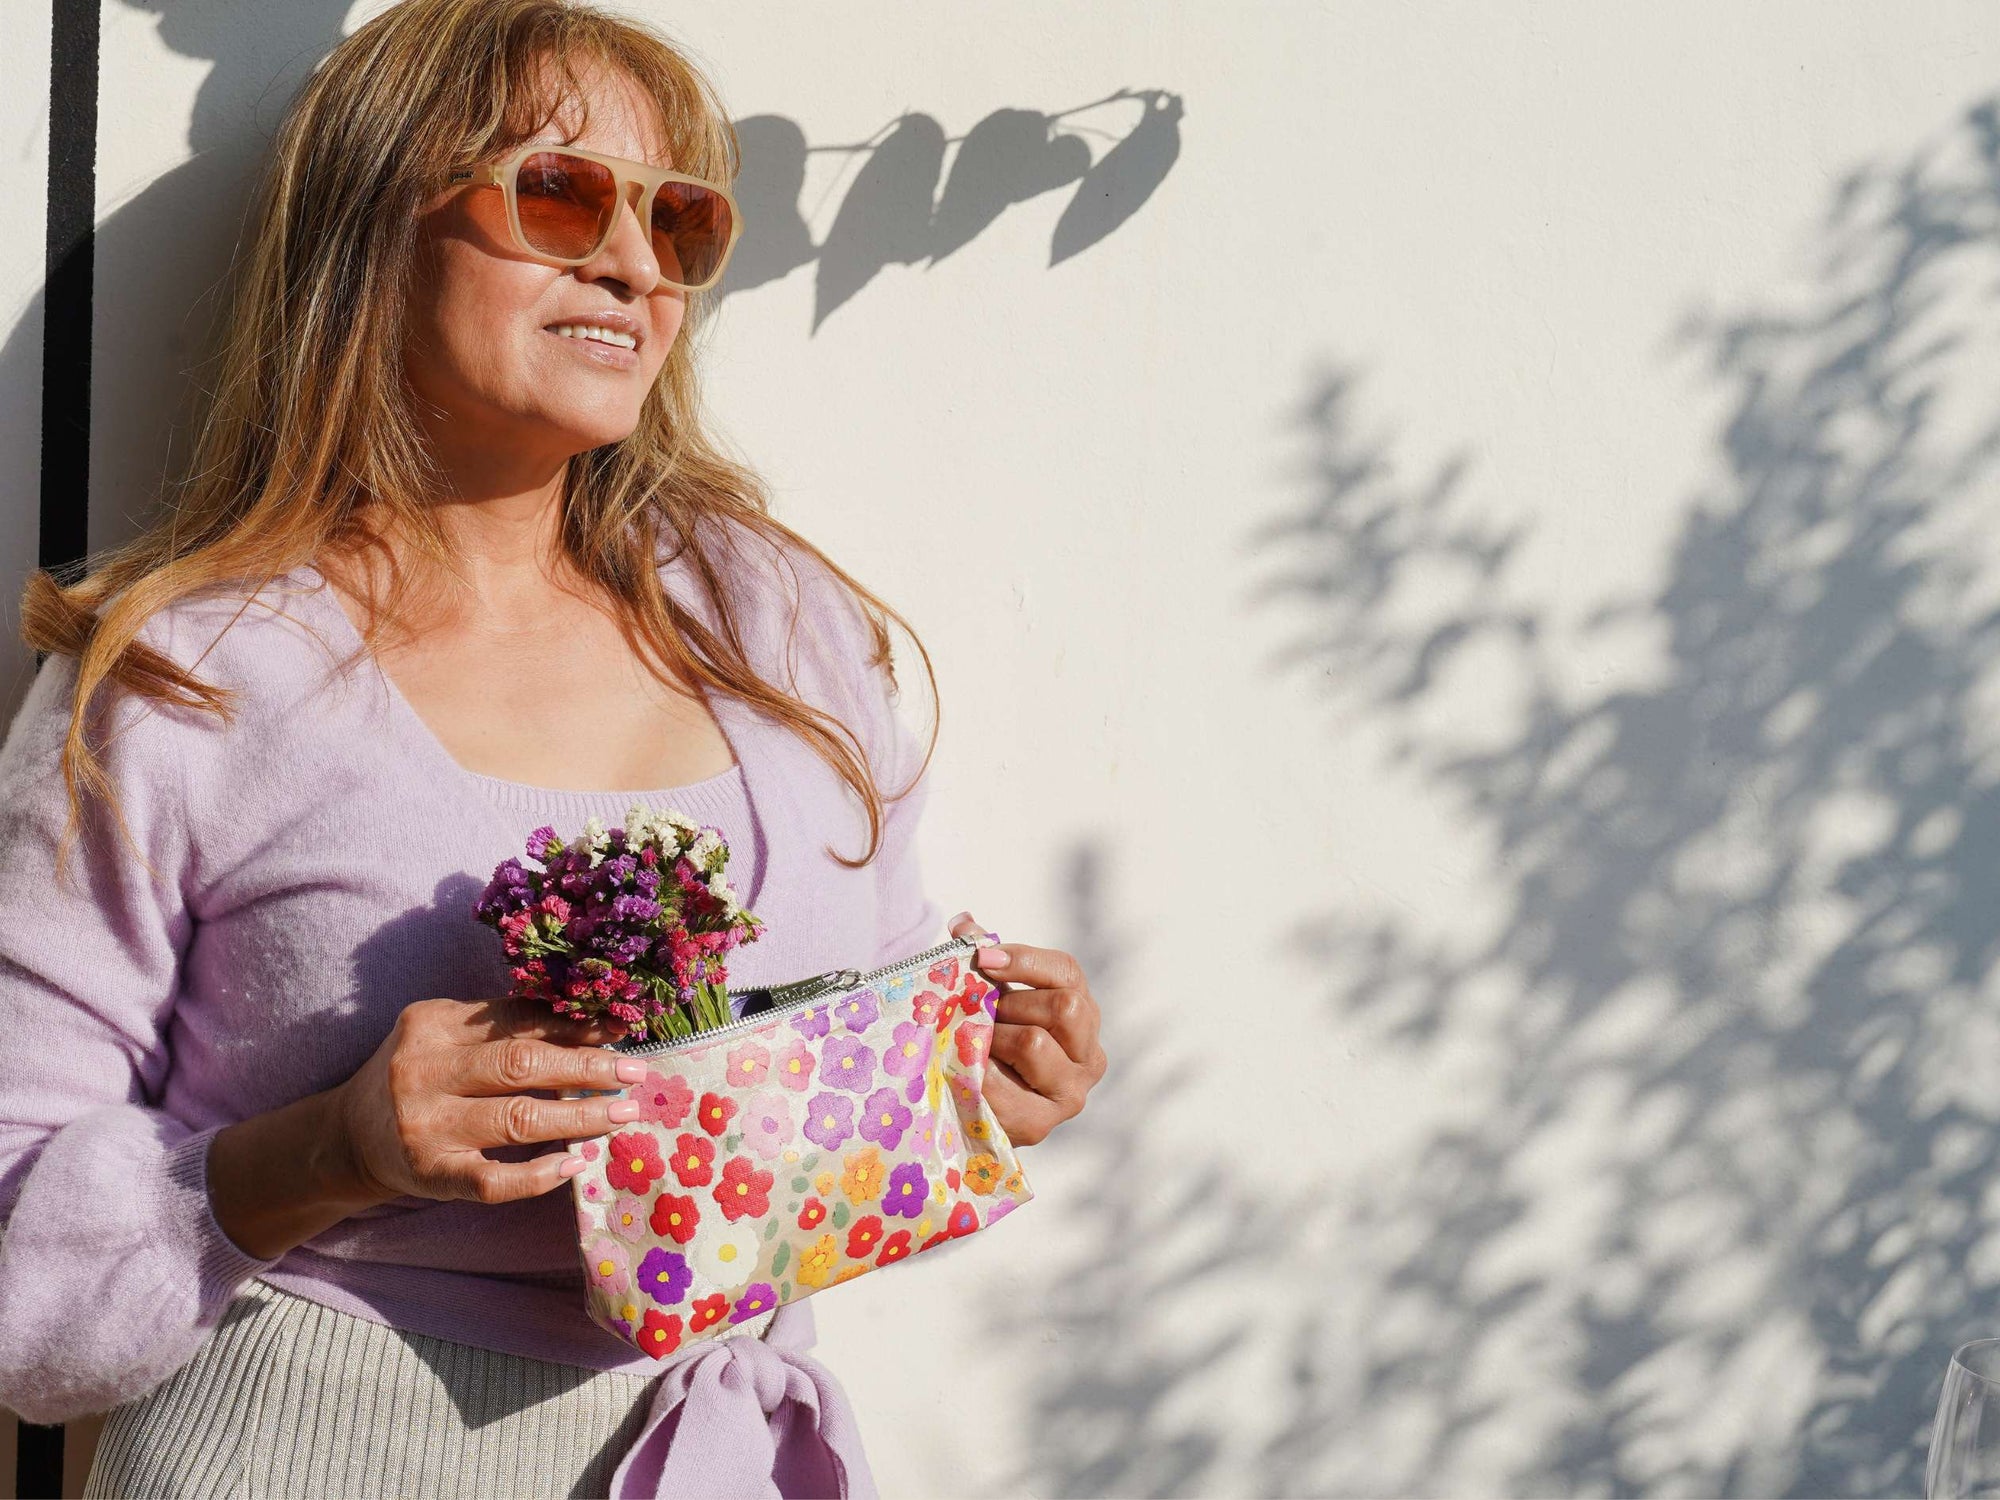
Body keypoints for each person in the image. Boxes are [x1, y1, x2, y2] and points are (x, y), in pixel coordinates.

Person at [0, 0, 1108, 1493]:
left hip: (710, 1448)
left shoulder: (777, 625)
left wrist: (974, 1079)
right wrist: (327, 1151)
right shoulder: (184, 676)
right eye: (564, 194)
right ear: (376, 228)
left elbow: (840, 1083)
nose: (635, 263)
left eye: (679, 219)